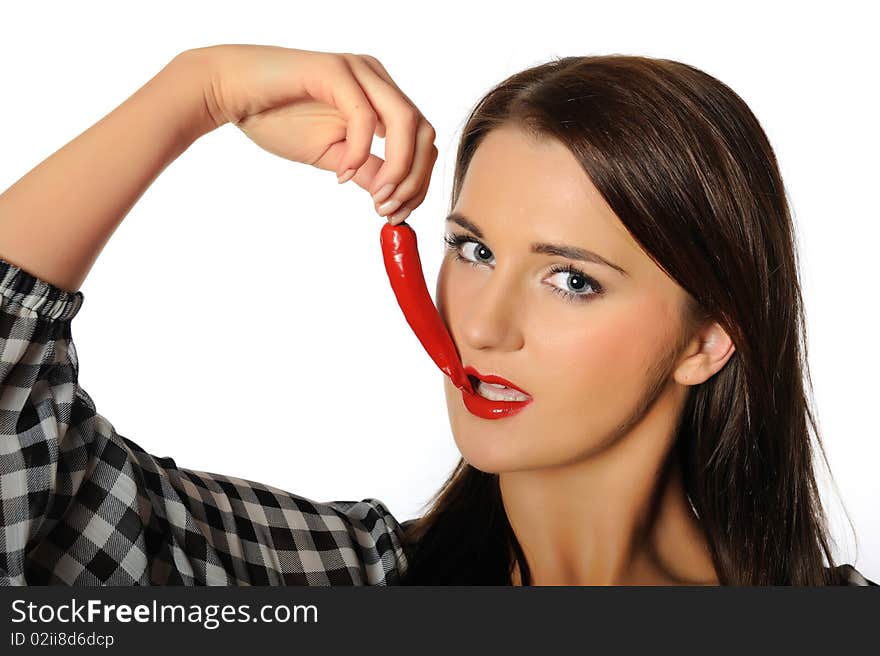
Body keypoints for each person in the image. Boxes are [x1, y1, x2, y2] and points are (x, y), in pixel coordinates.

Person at [0, 45, 874, 587]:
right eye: (474, 250)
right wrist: (195, 93)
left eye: (571, 279)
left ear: (708, 338)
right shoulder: (341, 582)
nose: (483, 327)